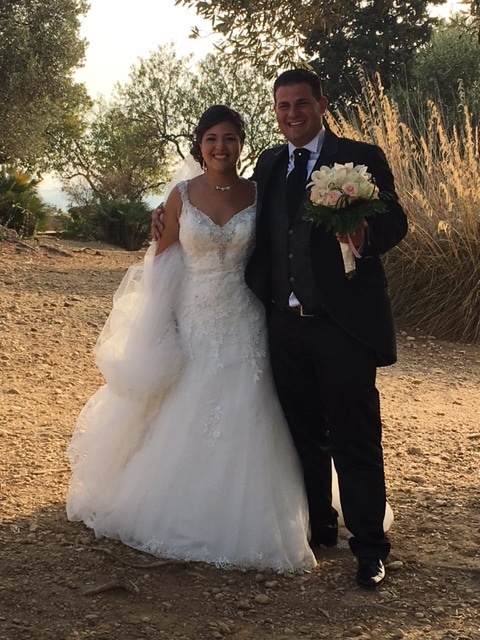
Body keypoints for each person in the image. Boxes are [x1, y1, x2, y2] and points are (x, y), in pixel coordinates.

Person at [152, 69, 407, 588]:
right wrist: (162, 214)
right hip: (280, 327)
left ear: (321, 104)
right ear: (276, 111)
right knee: (302, 435)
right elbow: (225, 203)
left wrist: (362, 232)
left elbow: (395, 221)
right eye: (283, 106)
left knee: (355, 436)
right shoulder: (268, 164)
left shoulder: (360, 157)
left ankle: (370, 549)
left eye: (301, 104)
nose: (292, 113)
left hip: (343, 327)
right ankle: (318, 528)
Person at [66, 105, 317, 573]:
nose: (221, 147)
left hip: (246, 318)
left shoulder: (263, 193)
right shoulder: (180, 196)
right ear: (199, 146)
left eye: (230, 138)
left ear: (242, 143)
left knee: (252, 404)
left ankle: (267, 514)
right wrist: (156, 327)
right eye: (212, 139)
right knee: (184, 406)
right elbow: (160, 265)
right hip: (194, 317)